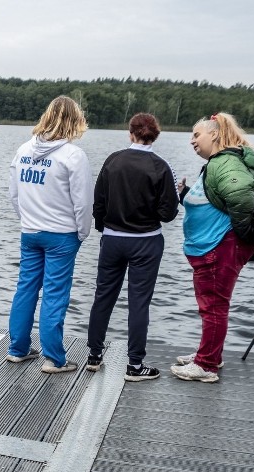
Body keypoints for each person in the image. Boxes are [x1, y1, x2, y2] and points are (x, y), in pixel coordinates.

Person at [85, 113, 179, 381]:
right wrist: (175, 193)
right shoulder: (161, 166)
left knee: (103, 296)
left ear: (131, 133)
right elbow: (168, 213)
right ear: (155, 135)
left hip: (113, 239)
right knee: (139, 302)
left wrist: (105, 228)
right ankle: (135, 365)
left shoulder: (113, 160)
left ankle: (93, 355)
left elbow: (98, 201)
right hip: (146, 241)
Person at [6, 96, 92, 373]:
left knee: (26, 289)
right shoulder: (73, 156)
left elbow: (14, 195)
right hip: (62, 235)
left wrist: (28, 221)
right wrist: (82, 232)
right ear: (74, 121)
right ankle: (55, 358)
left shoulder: (23, 151)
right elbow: (83, 202)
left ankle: (17, 349)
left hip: (30, 232)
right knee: (55, 295)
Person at [171, 112, 254, 383]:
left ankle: (207, 365)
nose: (192, 141)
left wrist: (239, 236)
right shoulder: (217, 163)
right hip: (212, 246)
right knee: (210, 305)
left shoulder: (226, 163)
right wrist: (187, 195)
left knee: (214, 306)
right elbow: (212, 200)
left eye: (196, 135)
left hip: (220, 246)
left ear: (215, 134)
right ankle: (210, 353)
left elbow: (242, 196)